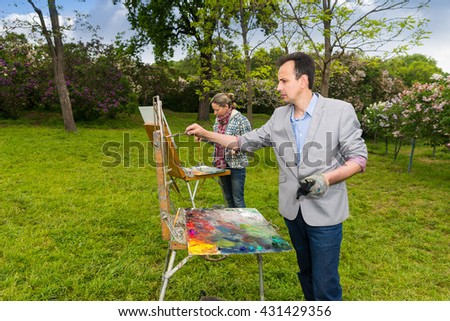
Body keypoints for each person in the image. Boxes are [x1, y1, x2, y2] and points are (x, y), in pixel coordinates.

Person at [185, 52, 368, 301]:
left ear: (302, 81)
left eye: (283, 81)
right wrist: (208, 134)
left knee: (325, 282)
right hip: (293, 212)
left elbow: (358, 159)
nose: (277, 87)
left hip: (326, 213)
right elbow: (242, 142)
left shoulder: (339, 111)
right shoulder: (279, 116)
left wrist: (326, 179)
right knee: (306, 272)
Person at [208, 92, 251, 208]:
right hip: (221, 164)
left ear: (226, 107)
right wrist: (202, 137)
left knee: (237, 200)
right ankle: (233, 225)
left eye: (217, 110)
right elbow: (216, 140)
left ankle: (243, 225)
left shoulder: (241, 120)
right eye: (214, 110)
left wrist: (236, 150)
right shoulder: (218, 121)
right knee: (228, 199)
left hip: (236, 166)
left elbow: (249, 143)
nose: (215, 113)